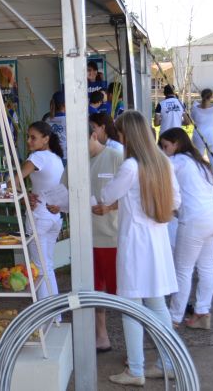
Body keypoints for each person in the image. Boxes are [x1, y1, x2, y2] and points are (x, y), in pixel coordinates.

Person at [101, 110, 180, 385]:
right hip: (157, 240)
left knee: (131, 306)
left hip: (135, 243)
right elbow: (176, 201)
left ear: (128, 135)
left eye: (120, 133)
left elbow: (107, 195)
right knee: (157, 304)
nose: (119, 137)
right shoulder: (162, 162)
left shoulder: (131, 166)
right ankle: (168, 362)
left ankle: (135, 370)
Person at [159, 127, 213, 330]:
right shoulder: (199, 162)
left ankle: (174, 318)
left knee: (183, 270)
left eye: (165, 146)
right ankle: (202, 312)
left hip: (195, 220)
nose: (163, 151)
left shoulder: (176, 161)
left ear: (177, 143)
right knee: (206, 266)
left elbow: (158, 174)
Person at [20, 122, 64, 303]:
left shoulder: (37, 157)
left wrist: (23, 196)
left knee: (39, 268)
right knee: (48, 267)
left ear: (46, 139)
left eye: (33, 137)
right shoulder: (56, 158)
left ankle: (45, 313)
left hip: (39, 216)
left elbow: (13, 181)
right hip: (54, 217)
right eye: (28, 137)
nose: (29, 141)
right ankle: (54, 313)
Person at [89, 124, 123, 351]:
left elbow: (134, 195)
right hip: (86, 239)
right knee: (93, 290)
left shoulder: (116, 157)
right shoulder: (76, 163)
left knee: (123, 292)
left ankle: (136, 348)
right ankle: (101, 336)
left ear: (94, 134)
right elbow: (64, 191)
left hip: (113, 237)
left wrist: (110, 207)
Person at [191, 88, 213, 178]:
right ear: (211, 97)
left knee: (198, 157)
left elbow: (193, 118)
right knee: (212, 157)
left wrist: (194, 104)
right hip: (212, 136)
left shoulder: (195, 108)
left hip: (199, 136)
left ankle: (198, 176)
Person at [44, 90, 67, 165]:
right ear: (65, 104)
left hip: (51, 155)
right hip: (65, 155)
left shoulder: (47, 119)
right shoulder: (68, 119)